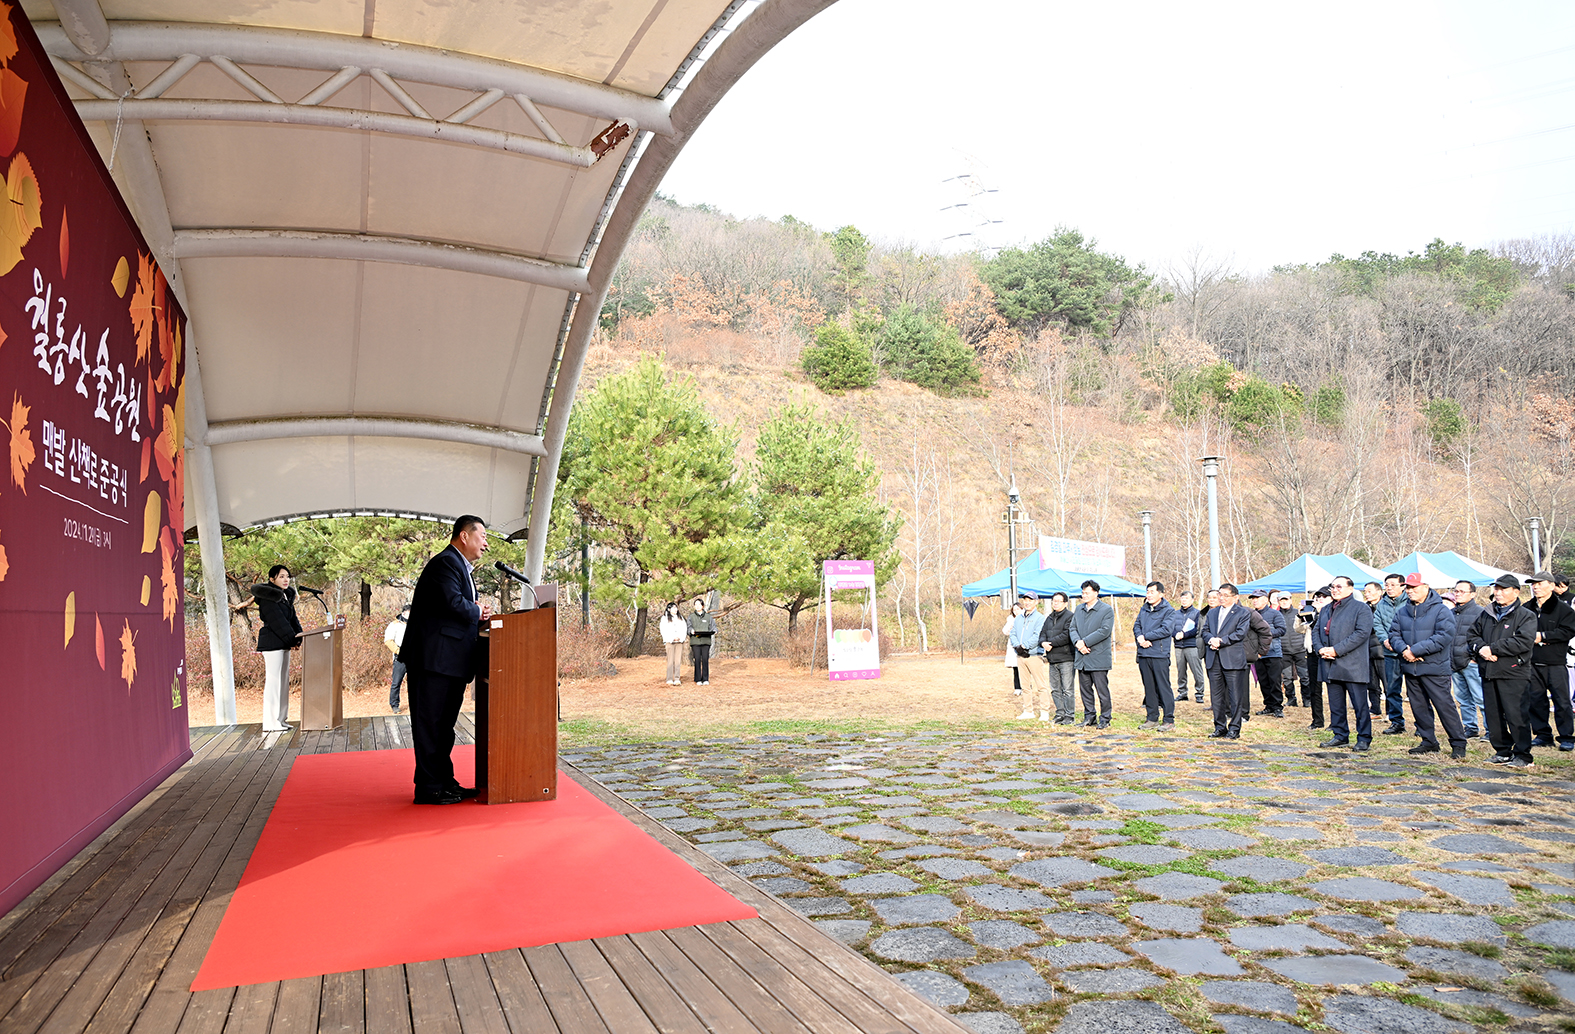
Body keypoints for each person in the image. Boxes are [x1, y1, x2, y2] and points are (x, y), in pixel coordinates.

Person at [400, 515, 491, 805]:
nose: (485, 543)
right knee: (430, 725)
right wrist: (478, 612)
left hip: (448, 661)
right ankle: (429, 788)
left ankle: (443, 781)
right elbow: (452, 602)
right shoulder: (445, 563)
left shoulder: (459, 565)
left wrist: (477, 613)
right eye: (482, 536)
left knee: (443, 727)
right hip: (432, 661)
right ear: (464, 536)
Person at [1387, 573, 1466, 758]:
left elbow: (1444, 636)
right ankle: (1428, 741)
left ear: (1426, 587)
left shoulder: (1441, 610)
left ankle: (1458, 743)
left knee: (1444, 706)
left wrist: (1416, 650)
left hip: (1434, 668)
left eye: (1414, 587)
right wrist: (1405, 651)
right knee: (1419, 707)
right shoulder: (1402, 611)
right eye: (1408, 588)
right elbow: (1394, 634)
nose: (1410, 591)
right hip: (1410, 668)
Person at [1470, 574, 1539, 769]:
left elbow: (1523, 641)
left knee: (1516, 715)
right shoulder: (1486, 613)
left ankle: (1523, 755)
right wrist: (1481, 648)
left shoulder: (1526, 615)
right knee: (1493, 715)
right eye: (1496, 589)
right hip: (1489, 671)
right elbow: (1472, 635)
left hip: (1513, 672)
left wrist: (1493, 648)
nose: (1498, 593)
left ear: (1516, 592)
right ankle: (1502, 751)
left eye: (1503, 589)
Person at [1315, 576, 1376, 752]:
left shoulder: (1361, 608)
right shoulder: (1326, 609)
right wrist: (1320, 649)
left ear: (1350, 588)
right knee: (1336, 704)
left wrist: (1336, 650)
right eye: (1332, 587)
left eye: (1339, 586)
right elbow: (1317, 631)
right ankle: (1340, 735)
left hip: (1352, 664)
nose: (1335, 589)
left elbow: (1361, 633)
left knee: (1359, 705)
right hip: (1329, 663)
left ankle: (1364, 737)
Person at [1522, 571, 1575, 751]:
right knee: (1535, 700)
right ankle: (1542, 734)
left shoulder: (1564, 609)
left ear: (1552, 586)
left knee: (1562, 701)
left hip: (1556, 662)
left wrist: (1543, 636)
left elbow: (1568, 631)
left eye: (1539, 583)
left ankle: (1567, 737)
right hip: (1532, 661)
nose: (1535, 586)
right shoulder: (1526, 607)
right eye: (1533, 584)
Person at [252, 564, 303, 733]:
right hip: (272, 644)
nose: (286, 579)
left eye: (287, 576)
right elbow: (277, 621)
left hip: (284, 643)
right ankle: (270, 722)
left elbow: (292, 619)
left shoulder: (286, 596)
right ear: (272, 579)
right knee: (273, 682)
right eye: (281, 576)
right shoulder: (269, 597)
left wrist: (299, 637)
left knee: (282, 682)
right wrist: (292, 639)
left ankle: (281, 719)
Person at [1202, 584, 1251, 739]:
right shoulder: (1212, 612)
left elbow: (1240, 633)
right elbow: (1204, 631)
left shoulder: (1242, 613)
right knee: (1216, 696)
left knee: (1235, 696)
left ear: (1235, 597)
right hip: (1214, 658)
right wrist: (1212, 640)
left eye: (1225, 595)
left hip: (1232, 659)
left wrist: (1221, 641)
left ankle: (1234, 728)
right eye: (1220, 595)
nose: (1221, 598)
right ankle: (1219, 726)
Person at [1133, 581, 1179, 730]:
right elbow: (1136, 625)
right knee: (1149, 688)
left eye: (1152, 592)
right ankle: (1151, 718)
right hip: (1144, 653)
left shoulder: (1169, 610)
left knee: (1163, 687)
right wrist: (1140, 638)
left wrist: (1146, 637)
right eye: (1147, 592)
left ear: (1161, 594)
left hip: (1159, 654)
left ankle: (1168, 720)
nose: (1149, 595)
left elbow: (1166, 630)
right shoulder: (1144, 608)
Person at [1070, 580, 1115, 727]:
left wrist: (1085, 642)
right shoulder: (1079, 609)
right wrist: (1078, 643)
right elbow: (1072, 628)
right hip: (1082, 656)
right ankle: (1089, 717)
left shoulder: (1106, 610)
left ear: (1096, 593)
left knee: (1102, 690)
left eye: (1087, 592)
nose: (1084, 595)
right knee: (1085, 690)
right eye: (1083, 592)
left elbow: (1104, 631)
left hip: (1098, 657)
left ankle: (1105, 718)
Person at [1449, 581, 1485, 738]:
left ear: (1472, 594)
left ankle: (1491, 729)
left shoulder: (1480, 612)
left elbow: (1484, 637)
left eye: (1462, 591)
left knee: (1481, 698)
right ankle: (1470, 727)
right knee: (1463, 699)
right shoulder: (1450, 613)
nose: (1458, 594)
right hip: (1454, 662)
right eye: (1456, 591)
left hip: (1471, 662)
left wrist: (1474, 658)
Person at [1376, 573, 1408, 734]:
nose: (1389, 588)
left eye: (1393, 585)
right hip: (1389, 652)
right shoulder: (1382, 604)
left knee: (1416, 690)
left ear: (1403, 586)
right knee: (1392, 688)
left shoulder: (1410, 602)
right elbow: (1377, 623)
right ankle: (1397, 722)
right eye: (1387, 585)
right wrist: (1385, 640)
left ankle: (1422, 723)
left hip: (1409, 651)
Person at [1010, 592, 1050, 721]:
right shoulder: (1019, 618)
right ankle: (1028, 710)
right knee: (1025, 686)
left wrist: (1025, 646)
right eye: (1025, 600)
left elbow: (1037, 636)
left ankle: (1044, 711)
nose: (1027, 602)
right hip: (1020, 656)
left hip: (1034, 655)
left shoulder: (1040, 618)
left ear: (1036, 602)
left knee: (1041, 685)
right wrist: (1018, 647)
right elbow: (1013, 633)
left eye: (1030, 600)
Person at [1039, 592, 1077, 725]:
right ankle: (1060, 713)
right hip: (1052, 658)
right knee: (1055, 689)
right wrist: (1043, 642)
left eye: (1058, 601)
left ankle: (1069, 715)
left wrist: (1050, 643)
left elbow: (1067, 635)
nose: (1055, 603)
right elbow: (1042, 633)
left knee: (1067, 689)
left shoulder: (1070, 617)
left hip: (1066, 658)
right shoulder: (1049, 617)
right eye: (1053, 601)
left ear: (1065, 603)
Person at [1248, 590, 1286, 717]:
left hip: (1273, 652)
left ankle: (1277, 707)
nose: (1254, 600)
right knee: (1263, 680)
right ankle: (1268, 705)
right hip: (1257, 653)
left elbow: (1281, 630)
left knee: (1274, 680)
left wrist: (1264, 633)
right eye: (1253, 598)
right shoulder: (1250, 615)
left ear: (1265, 599)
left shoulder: (1275, 614)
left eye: (1257, 598)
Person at [1303, 587, 1331, 730]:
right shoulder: (1311, 612)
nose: (1319, 599)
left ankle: (1336, 722)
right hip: (1312, 653)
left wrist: (1320, 613)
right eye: (1317, 596)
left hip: (1329, 653)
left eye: (1324, 596)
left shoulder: (1333, 612)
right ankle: (1317, 720)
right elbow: (1300, 629)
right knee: (1314, 688)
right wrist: (1301, 616)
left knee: (1334, 689)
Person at [1173, 590, 1204, 705]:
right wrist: (1175, 634)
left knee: (1197, 670)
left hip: (1192, 645)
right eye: (1182, 598)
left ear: (1192, 600)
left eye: (1187, 598)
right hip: (1178, 646)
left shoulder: (1197, 613)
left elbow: (1197, 629)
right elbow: (1170, 627)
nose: (1184, 600)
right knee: (1181, 671)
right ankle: (1182, 692)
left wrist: (1184, 634)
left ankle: (1199, 693)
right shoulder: (1175, 614)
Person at [1278, 593, 1309, 709]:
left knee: (1305, 676)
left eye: (1286, 600)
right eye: (1281, 600)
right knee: (1286, 678)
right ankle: (1291, 699)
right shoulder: (1277, 615)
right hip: (1284, 651)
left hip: (1300, 650)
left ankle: (1307, 699)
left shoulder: (1299, 613)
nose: (1284, 602)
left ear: (1291, 600)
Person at [1362, 581, 1387, 721]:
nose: (1367, 594)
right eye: (1365, 591)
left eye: (1370, 591)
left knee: (1388, 684)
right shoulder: (1364, 608)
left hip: (1383, 651)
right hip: (1367, 651)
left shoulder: (1385, 607)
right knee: (1372, 683)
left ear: (1379, 592)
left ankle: (1391, 711)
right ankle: (1375, 709)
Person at [1191, 588, 1220, 703]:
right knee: (1211, 677)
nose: (1211, 600)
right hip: (1206, 648)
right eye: (1209, 598)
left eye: (1214, 597)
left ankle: (1223, 705)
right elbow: (1198, 631)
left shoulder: (1222, 612)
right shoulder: (1202, 613)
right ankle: (1215, 703)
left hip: (1220, 647)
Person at [384, 605, 410, 713]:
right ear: (404, 613)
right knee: (396, 682)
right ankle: (394, 704)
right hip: (400, 657)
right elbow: (388, 641)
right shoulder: (394, 625)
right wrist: (399, 651)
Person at [687, 596, 717, 685]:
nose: (697, 606)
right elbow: (689, 627)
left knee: (705, 659)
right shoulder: (691, 616)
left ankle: (705, 679)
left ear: (702, 606)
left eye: (699, 604)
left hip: (706, 641)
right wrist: (691, 631)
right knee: (697, 659)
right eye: (695, 605)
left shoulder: (708, 617)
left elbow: (713, 626)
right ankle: (697, 679)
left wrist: (715, 631)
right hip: (695, 641)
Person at [660, 602, 688, 685]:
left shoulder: (681, 618)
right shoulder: (664, 618)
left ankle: (677, 678)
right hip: (669, 641)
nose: (675, 609)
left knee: (677, 660)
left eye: (676, 608)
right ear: (669, 609)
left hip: (679, 642)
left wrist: (681, 638)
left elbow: (684, 629)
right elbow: (664, 630)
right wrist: (672, 638)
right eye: (673, 608)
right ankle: (669, 678)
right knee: (670, 661)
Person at [1002, 601, 1023, 696]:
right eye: (1014, 610)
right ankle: (1017, 687)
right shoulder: (1011, 620)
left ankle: (1026, 686)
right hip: (1013, 646)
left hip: (1024, 645)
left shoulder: (1026, 618)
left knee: (1025, 667)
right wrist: (1011, 623)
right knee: (1016, 668)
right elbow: (1005, 631)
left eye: (1018, 609)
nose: (1016, 611)